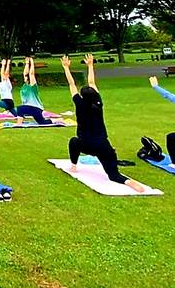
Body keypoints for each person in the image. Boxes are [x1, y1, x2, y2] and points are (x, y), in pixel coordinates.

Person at [61, 55, 146, 192]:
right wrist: (90, 65)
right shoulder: (98, 103)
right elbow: (92, 83)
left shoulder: (80, 104)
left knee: (73, 142)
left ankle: (74, 165)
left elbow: (72, 85)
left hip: (86, 144)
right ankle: (129, 182)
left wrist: (66, 67)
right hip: (103, 145)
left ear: (82, 96)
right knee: (114, 175)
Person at [16, 57, 53, 125]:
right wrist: (27, 63)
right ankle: (54, 120)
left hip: (36, 108)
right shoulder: (25, 86)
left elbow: (31, 74)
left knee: (20, 109)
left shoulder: (33, 86)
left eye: (27, 78)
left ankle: (19, 123)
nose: (25, 78)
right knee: (42, 122)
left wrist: (32, 62)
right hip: (31, 108)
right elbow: (25, 73)